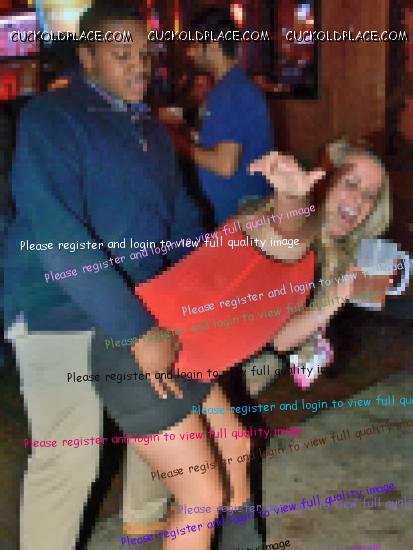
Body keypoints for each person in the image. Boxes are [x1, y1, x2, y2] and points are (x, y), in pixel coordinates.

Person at [3, 4, 215, 549]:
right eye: (122, 54)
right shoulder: (52, 118)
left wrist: (211, 287)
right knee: (69, 459)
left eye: (145, 53)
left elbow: (183, 226)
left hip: (139, 306)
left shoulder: (151, 130)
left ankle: (141, 533)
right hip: (57, 308)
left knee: (159, 437)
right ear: (87, 56)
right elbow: (59, 239)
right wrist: (137, 329)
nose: (139, 65)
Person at [170, 6, 273, 224]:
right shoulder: (231, 88)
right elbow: (223, 143)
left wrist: (178, 144)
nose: (190, 53)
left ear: (214, 47)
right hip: (240, 215)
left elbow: (225, 165)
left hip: (237, 220)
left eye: (195, 45)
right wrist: (188, 134)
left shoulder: (231, 91)